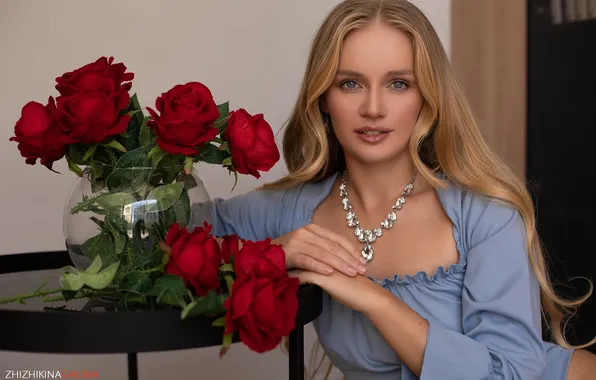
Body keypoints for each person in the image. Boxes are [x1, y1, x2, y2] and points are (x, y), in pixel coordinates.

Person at [194, 0, 596, 378]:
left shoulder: (485, 215)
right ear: (323, 99)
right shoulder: (293, 212)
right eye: (350, 83)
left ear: (428, 97)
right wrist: (269, 255)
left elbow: (512, 373)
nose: (373, 108)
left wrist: (375, 300)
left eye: (398, 84)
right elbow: (159, 241)